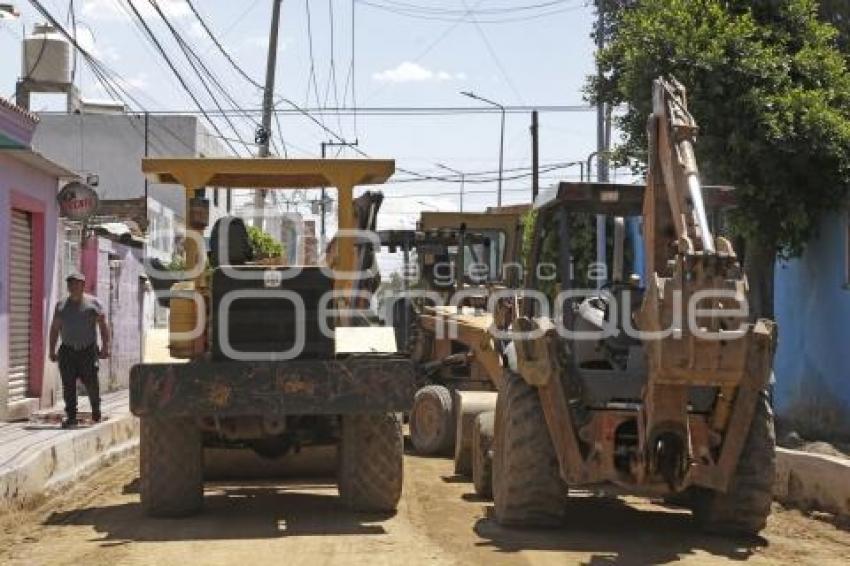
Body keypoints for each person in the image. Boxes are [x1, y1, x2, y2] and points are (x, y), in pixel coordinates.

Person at [49, 272, 110, 428]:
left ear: (83, 285)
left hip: (87, 351)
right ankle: (71, 417)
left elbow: (103, 327)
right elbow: (55, 328)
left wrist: (105, 347)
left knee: (91, 384)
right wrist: (52, 350)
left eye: (76, 283)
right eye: (70, 284)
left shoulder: (93, 304)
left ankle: (96, 411)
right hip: (67, 351)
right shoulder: (61, 305)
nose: (73, 287)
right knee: (68, 385)